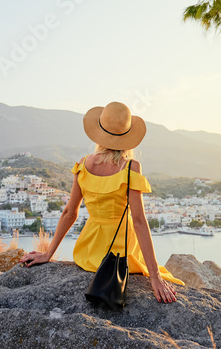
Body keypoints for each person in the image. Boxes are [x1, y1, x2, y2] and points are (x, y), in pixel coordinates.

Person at [19, 101, 182, 303]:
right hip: (123, 253)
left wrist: (48, 254)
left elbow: (70, 212)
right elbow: (139, 221)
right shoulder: (130, 167)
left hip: (89, 251)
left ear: (100, 131)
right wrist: (155, 277)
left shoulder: (83, 163)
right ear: (127, 136)